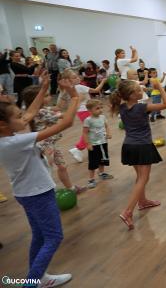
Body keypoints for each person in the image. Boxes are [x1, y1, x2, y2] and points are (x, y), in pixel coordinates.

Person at [0, 71, 76, 287]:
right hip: (37, 192)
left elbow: (29, 113)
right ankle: (31, 283)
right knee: (53, 237)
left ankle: (38, 277)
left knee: (40, 235)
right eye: (17, 117)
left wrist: (43, 87)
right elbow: (66, 123)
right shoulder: (15, 142)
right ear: (4, 125)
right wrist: (75, 97)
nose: (23, 118)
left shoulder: (7, 137)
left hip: (25, 192)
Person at [109, 79, 166, 230]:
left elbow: (140, 97)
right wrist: (160, 87)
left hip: (129, 145)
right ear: (131, 95)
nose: (140, 90)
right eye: (137, 90)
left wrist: (145, 88)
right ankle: (128, 211)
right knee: (144, 178)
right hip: (142, 146)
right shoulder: (142, 107)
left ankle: (142, 202)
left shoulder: (122, 107)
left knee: (139, 178)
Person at [21, 84, 87, 195]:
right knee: (48, 168)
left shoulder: (43, 109)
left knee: (62, 166)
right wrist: (76, 101)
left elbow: (58, 107)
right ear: (36, 99)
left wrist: (65, 92)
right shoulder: (41, 112)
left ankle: (71, 188)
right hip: (44, 145)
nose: (50, 97)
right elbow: (65, 116)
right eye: (46, 96)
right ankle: (48, 191)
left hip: (52, 143)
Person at [59, 69, 108, 163]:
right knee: (90, 131)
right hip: (86, 111)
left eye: (77, 76)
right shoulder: (79, 87)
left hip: (81, 111)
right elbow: (96, 90)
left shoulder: (70, 88)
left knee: (90, 130)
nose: (77, 78)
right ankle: (78, 149)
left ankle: (84, 148)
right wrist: (102, 81)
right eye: (74, 77)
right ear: (68, 80)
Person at [83, 99, 114, 189]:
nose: (100, 110)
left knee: (103, 159)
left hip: (103, 142)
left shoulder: (103, 117)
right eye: (97, 108)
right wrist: (88, 144)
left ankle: (102, 173)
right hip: (94, 144)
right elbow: (84, 133)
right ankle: (91, 179)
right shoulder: (88, 120)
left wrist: (109, 133)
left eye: (101, 108)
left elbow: (106, 126)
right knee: (93, 162)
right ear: (90, 110)